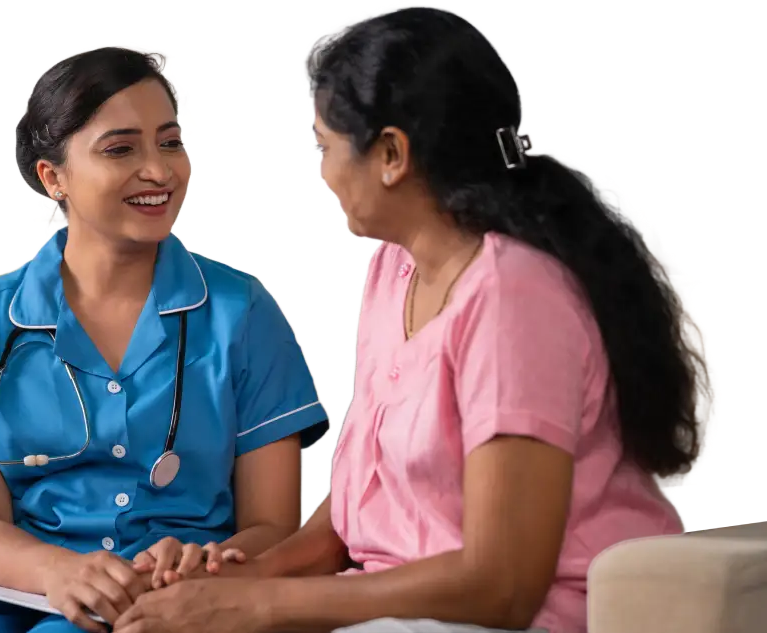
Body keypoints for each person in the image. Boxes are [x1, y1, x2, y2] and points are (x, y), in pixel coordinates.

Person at [107, 7, 719, 633]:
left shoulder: (513, 297)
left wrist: (261, 606)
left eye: (327, 145)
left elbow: (500, 585)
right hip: (392, 608)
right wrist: (232, 580)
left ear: (392, 154)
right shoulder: (394, 269)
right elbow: (346, 520)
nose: (325, 174)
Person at [0, 45, 330, 633]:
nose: (160, 171)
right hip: (14, 585)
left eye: (170, 142)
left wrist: (208, 566)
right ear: (52, 176)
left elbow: (273, 525)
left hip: (175, 585)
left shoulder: (240, 312)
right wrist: (59, 570)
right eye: (120, 149)